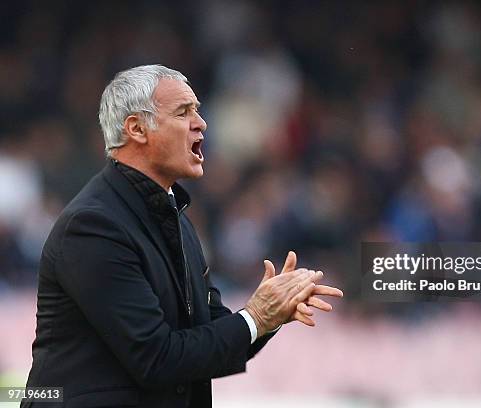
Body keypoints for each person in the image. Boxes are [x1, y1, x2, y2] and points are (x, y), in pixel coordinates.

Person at [22, 65, 343, 408]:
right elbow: (156, 357)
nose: (201, 123)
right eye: (183, 112)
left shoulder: (176, 219)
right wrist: (256, 317)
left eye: (198, 111)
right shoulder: (93, 225)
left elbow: (209, 334)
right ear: (136, 128)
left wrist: (271, 314)